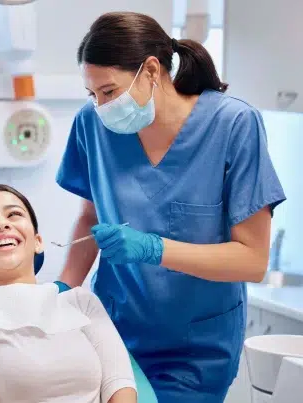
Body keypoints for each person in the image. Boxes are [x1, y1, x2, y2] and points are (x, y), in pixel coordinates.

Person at [55, 11, 286, 403]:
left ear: (150, 70)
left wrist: (153, 249)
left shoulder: (233, 126)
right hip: (112, 335)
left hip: (196, 353)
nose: (101, 106)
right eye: (92, 95)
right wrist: (63, 292)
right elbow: (90, 216)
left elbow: (252, 261)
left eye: (109, 92)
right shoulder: (91, 125)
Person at [0, 184, 137, 403]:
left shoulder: (81, 301)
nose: (1, 224)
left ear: (38, 242)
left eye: (14, 214)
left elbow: (120, 385)